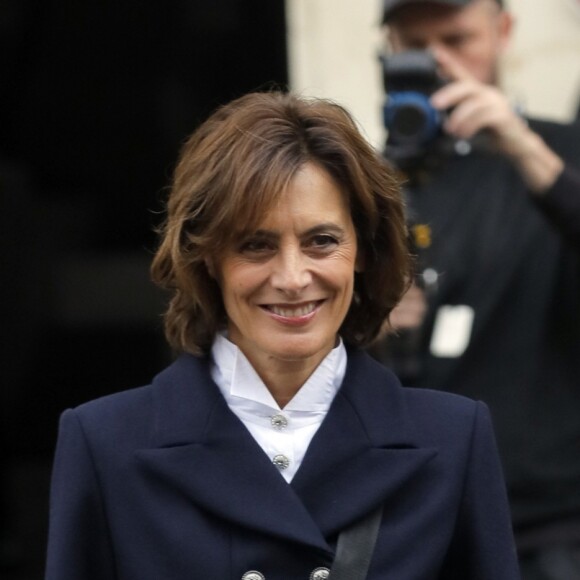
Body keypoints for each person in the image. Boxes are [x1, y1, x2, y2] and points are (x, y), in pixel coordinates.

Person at [45, 90, 520, 580]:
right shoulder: (104, 444)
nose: (292, 278)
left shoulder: (454, 438)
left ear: (363, 249)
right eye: (256, 245)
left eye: (322, 241)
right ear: (207, 257)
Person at [376, 0, 580, 577]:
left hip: (552, 522)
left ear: (503, 31)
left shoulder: (561, 151)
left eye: (457, 39)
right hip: (426, 516)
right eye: (417, 45)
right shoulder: (371, 177)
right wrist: (362, 320)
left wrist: (519, 143)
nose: (440, 63)